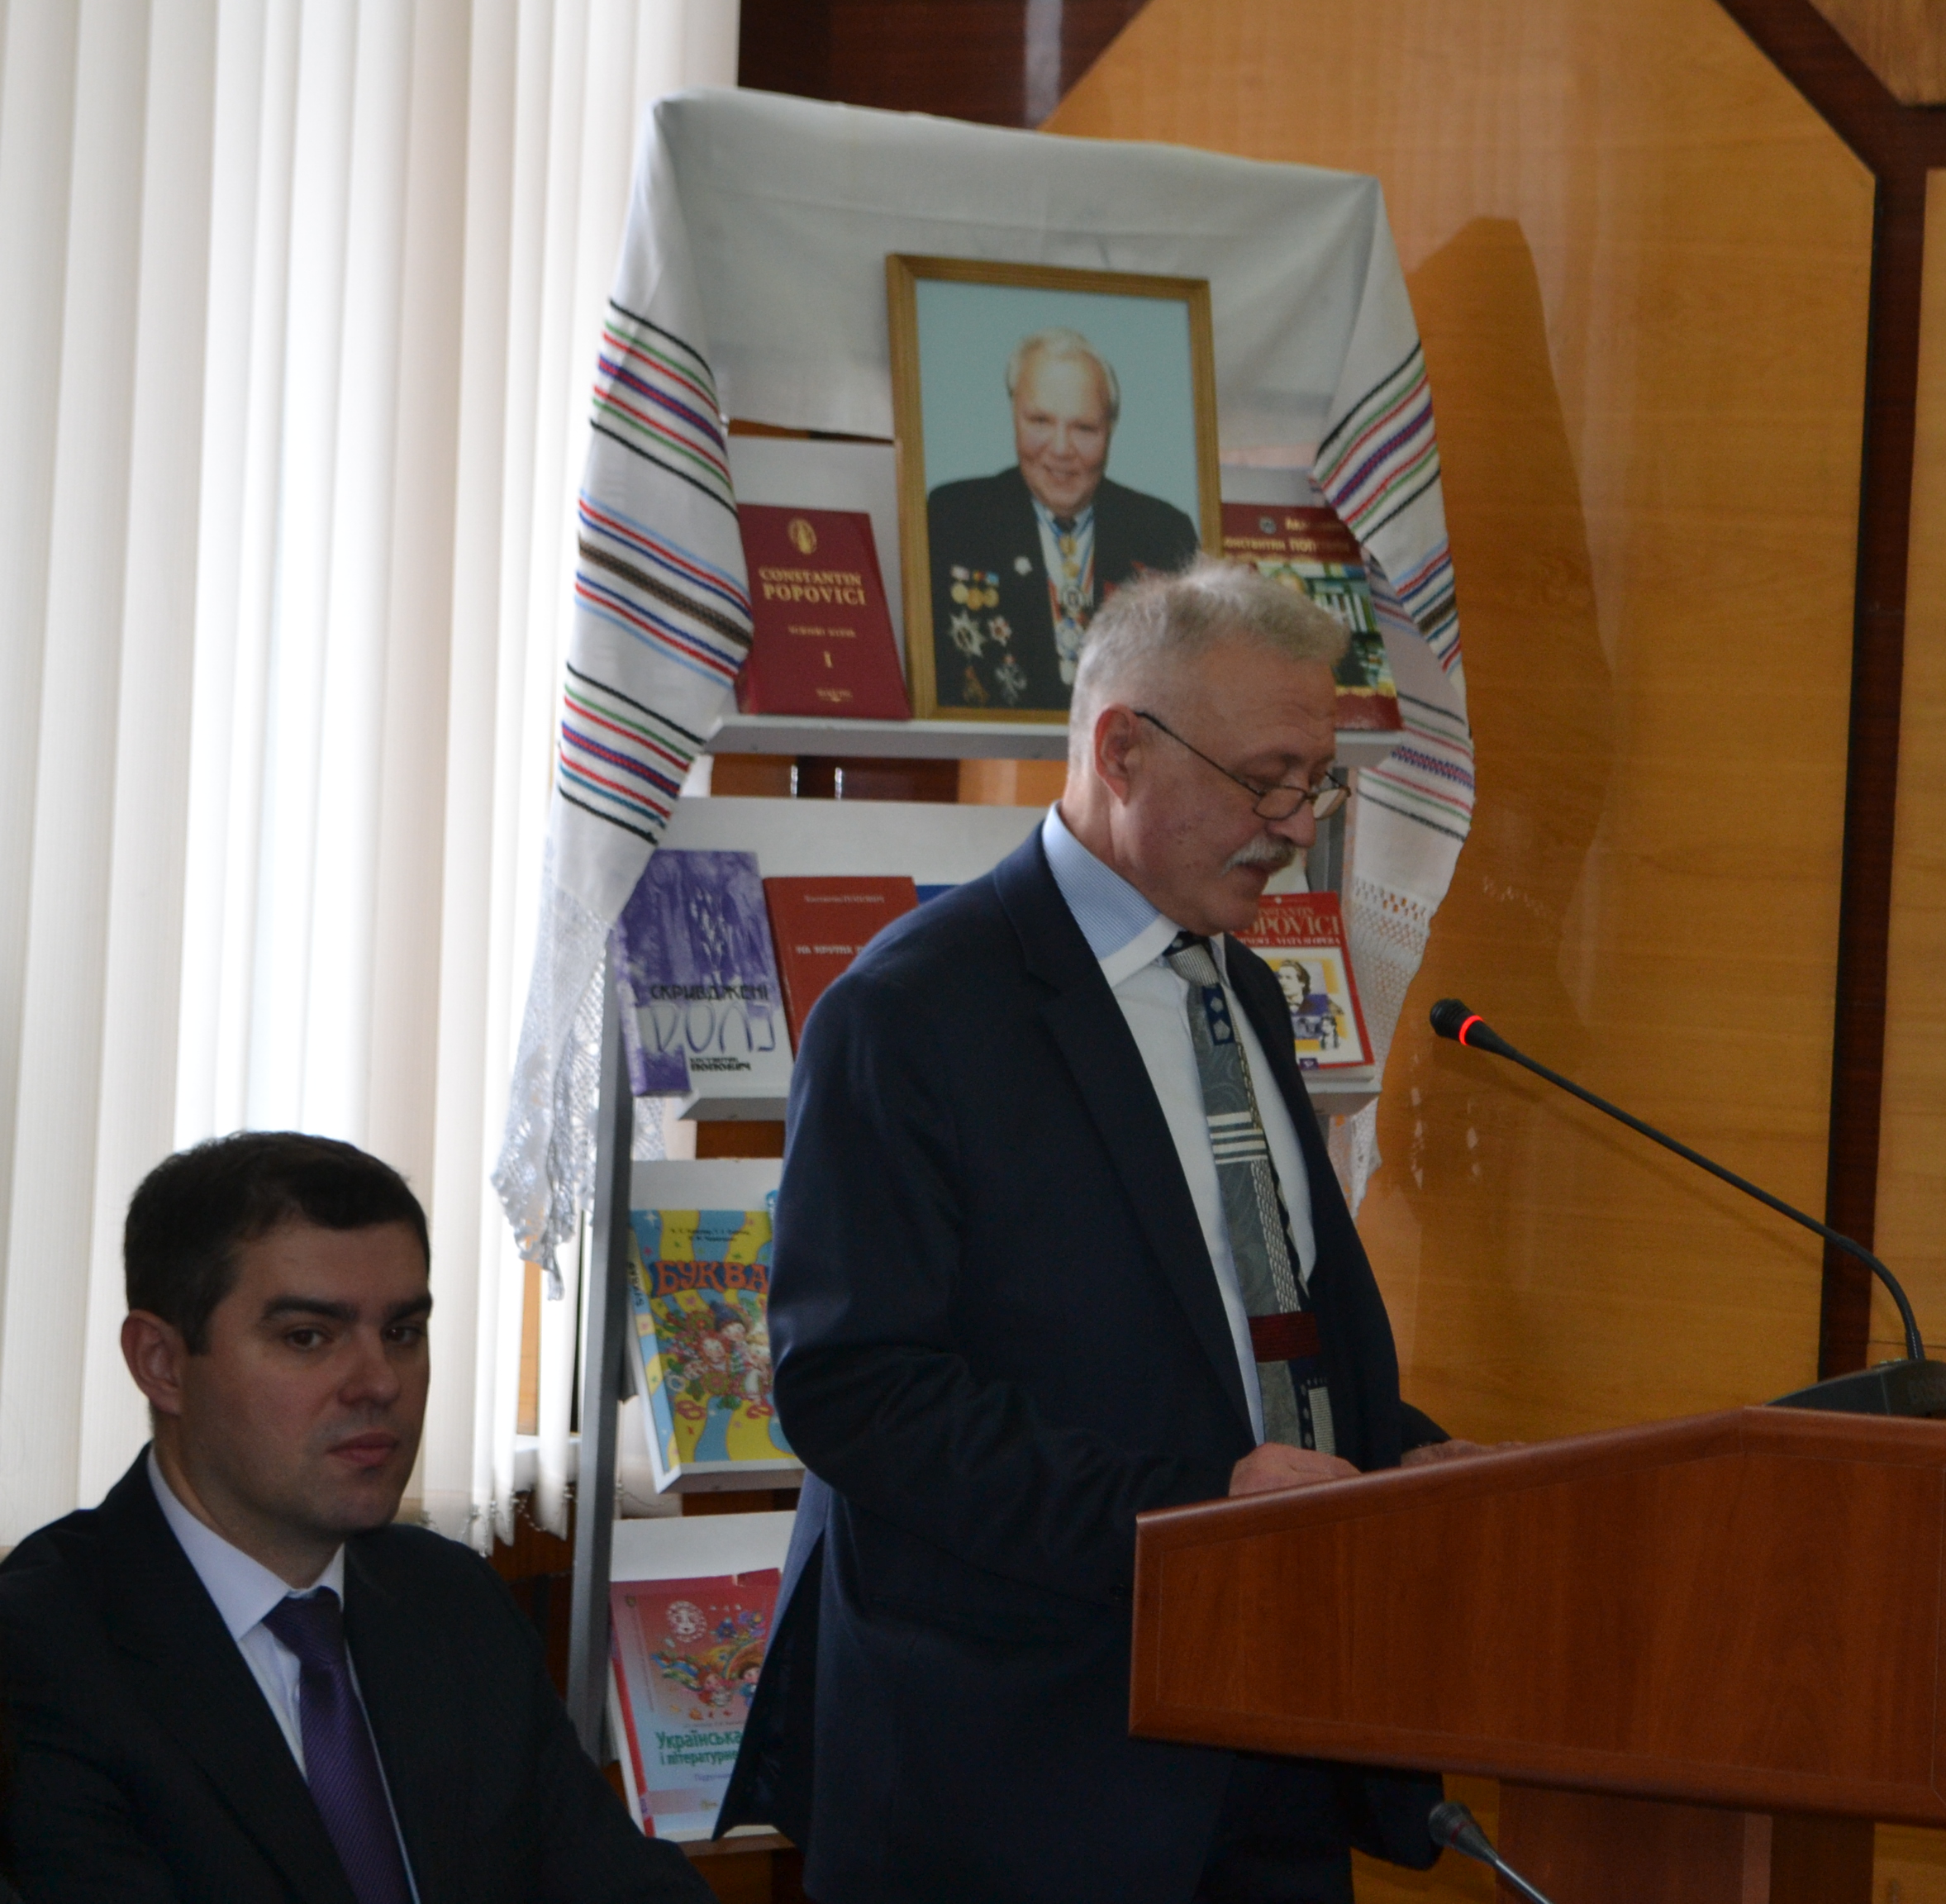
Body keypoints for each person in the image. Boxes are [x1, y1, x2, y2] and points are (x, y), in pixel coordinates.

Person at [721, 559, 1477, 1902]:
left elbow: (1255, 1328)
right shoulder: (911, 1014)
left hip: (1275, 1733)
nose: (1295, 825)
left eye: (1317, 782)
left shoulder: (1241, 988)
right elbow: (856, 1389)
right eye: (1266, 781)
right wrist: (1191, 1512)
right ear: (1121, 750)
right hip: (1021, 1772)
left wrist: (1415, 1463)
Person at [0, 1132, 709, 1904]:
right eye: (308, 1337)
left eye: (402, 1333)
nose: (379, 1383)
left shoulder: (452, 1600)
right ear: (162, 1363)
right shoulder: (41, 1650)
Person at [925, 326, 1203, 713]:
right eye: (1040, 421)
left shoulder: (1164, 533)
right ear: (1014, 416)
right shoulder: (954, 518)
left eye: (1084, 428)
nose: (1060, 449)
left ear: (1110, 430)